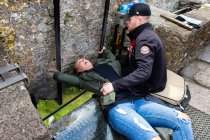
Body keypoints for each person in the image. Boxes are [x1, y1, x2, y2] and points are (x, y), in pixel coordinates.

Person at [100, 3, 193, 140]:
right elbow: (132, 58)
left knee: (183, 120)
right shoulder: (141, 36)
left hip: (141, 94)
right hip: (127, 101)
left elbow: (143, 72)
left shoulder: (145, 39)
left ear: (139, 20)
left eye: (129, 19)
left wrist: (113, 85)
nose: (126, 22)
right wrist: (110, 57)